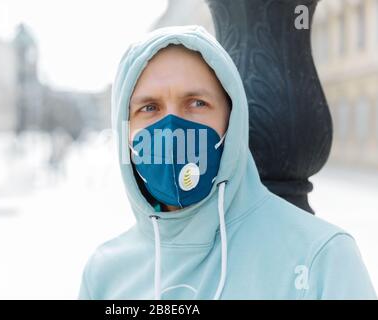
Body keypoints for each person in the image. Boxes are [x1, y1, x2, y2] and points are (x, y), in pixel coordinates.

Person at [79, 25, 376, 300]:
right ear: (125, 132)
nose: (171, 127)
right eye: (149, 108)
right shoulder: (105, 274)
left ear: (231, 121)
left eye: (196, 103)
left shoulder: (321, 258)